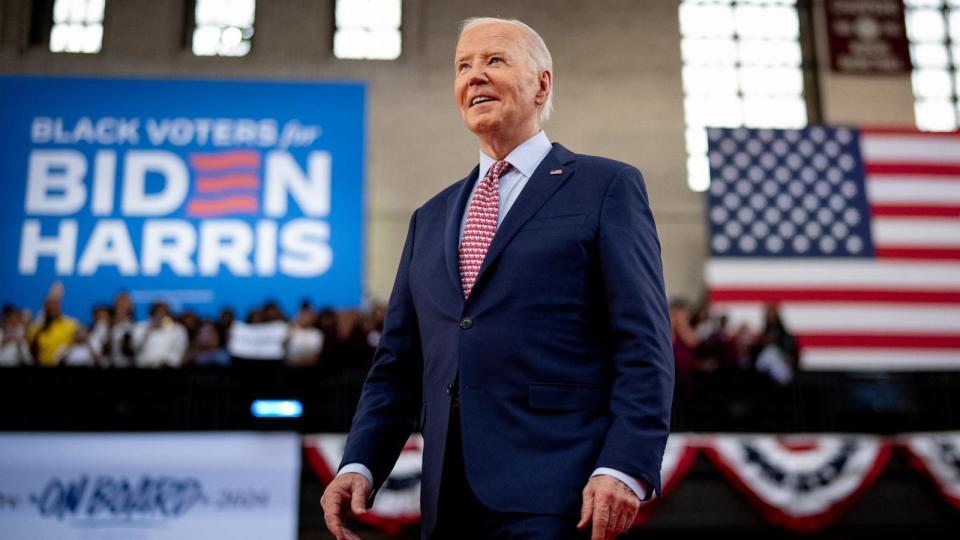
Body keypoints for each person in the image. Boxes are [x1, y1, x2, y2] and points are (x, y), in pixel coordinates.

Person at [321, 17, 673, 540]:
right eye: (463, 66)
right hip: (446, 498)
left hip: (561, 491)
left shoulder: (606, 187)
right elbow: (398, 365)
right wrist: (360, 463)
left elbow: (644, 343)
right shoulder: (429, 218)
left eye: (494, 61)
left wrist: (625, 464)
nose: (474, 76)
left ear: (542, 84)